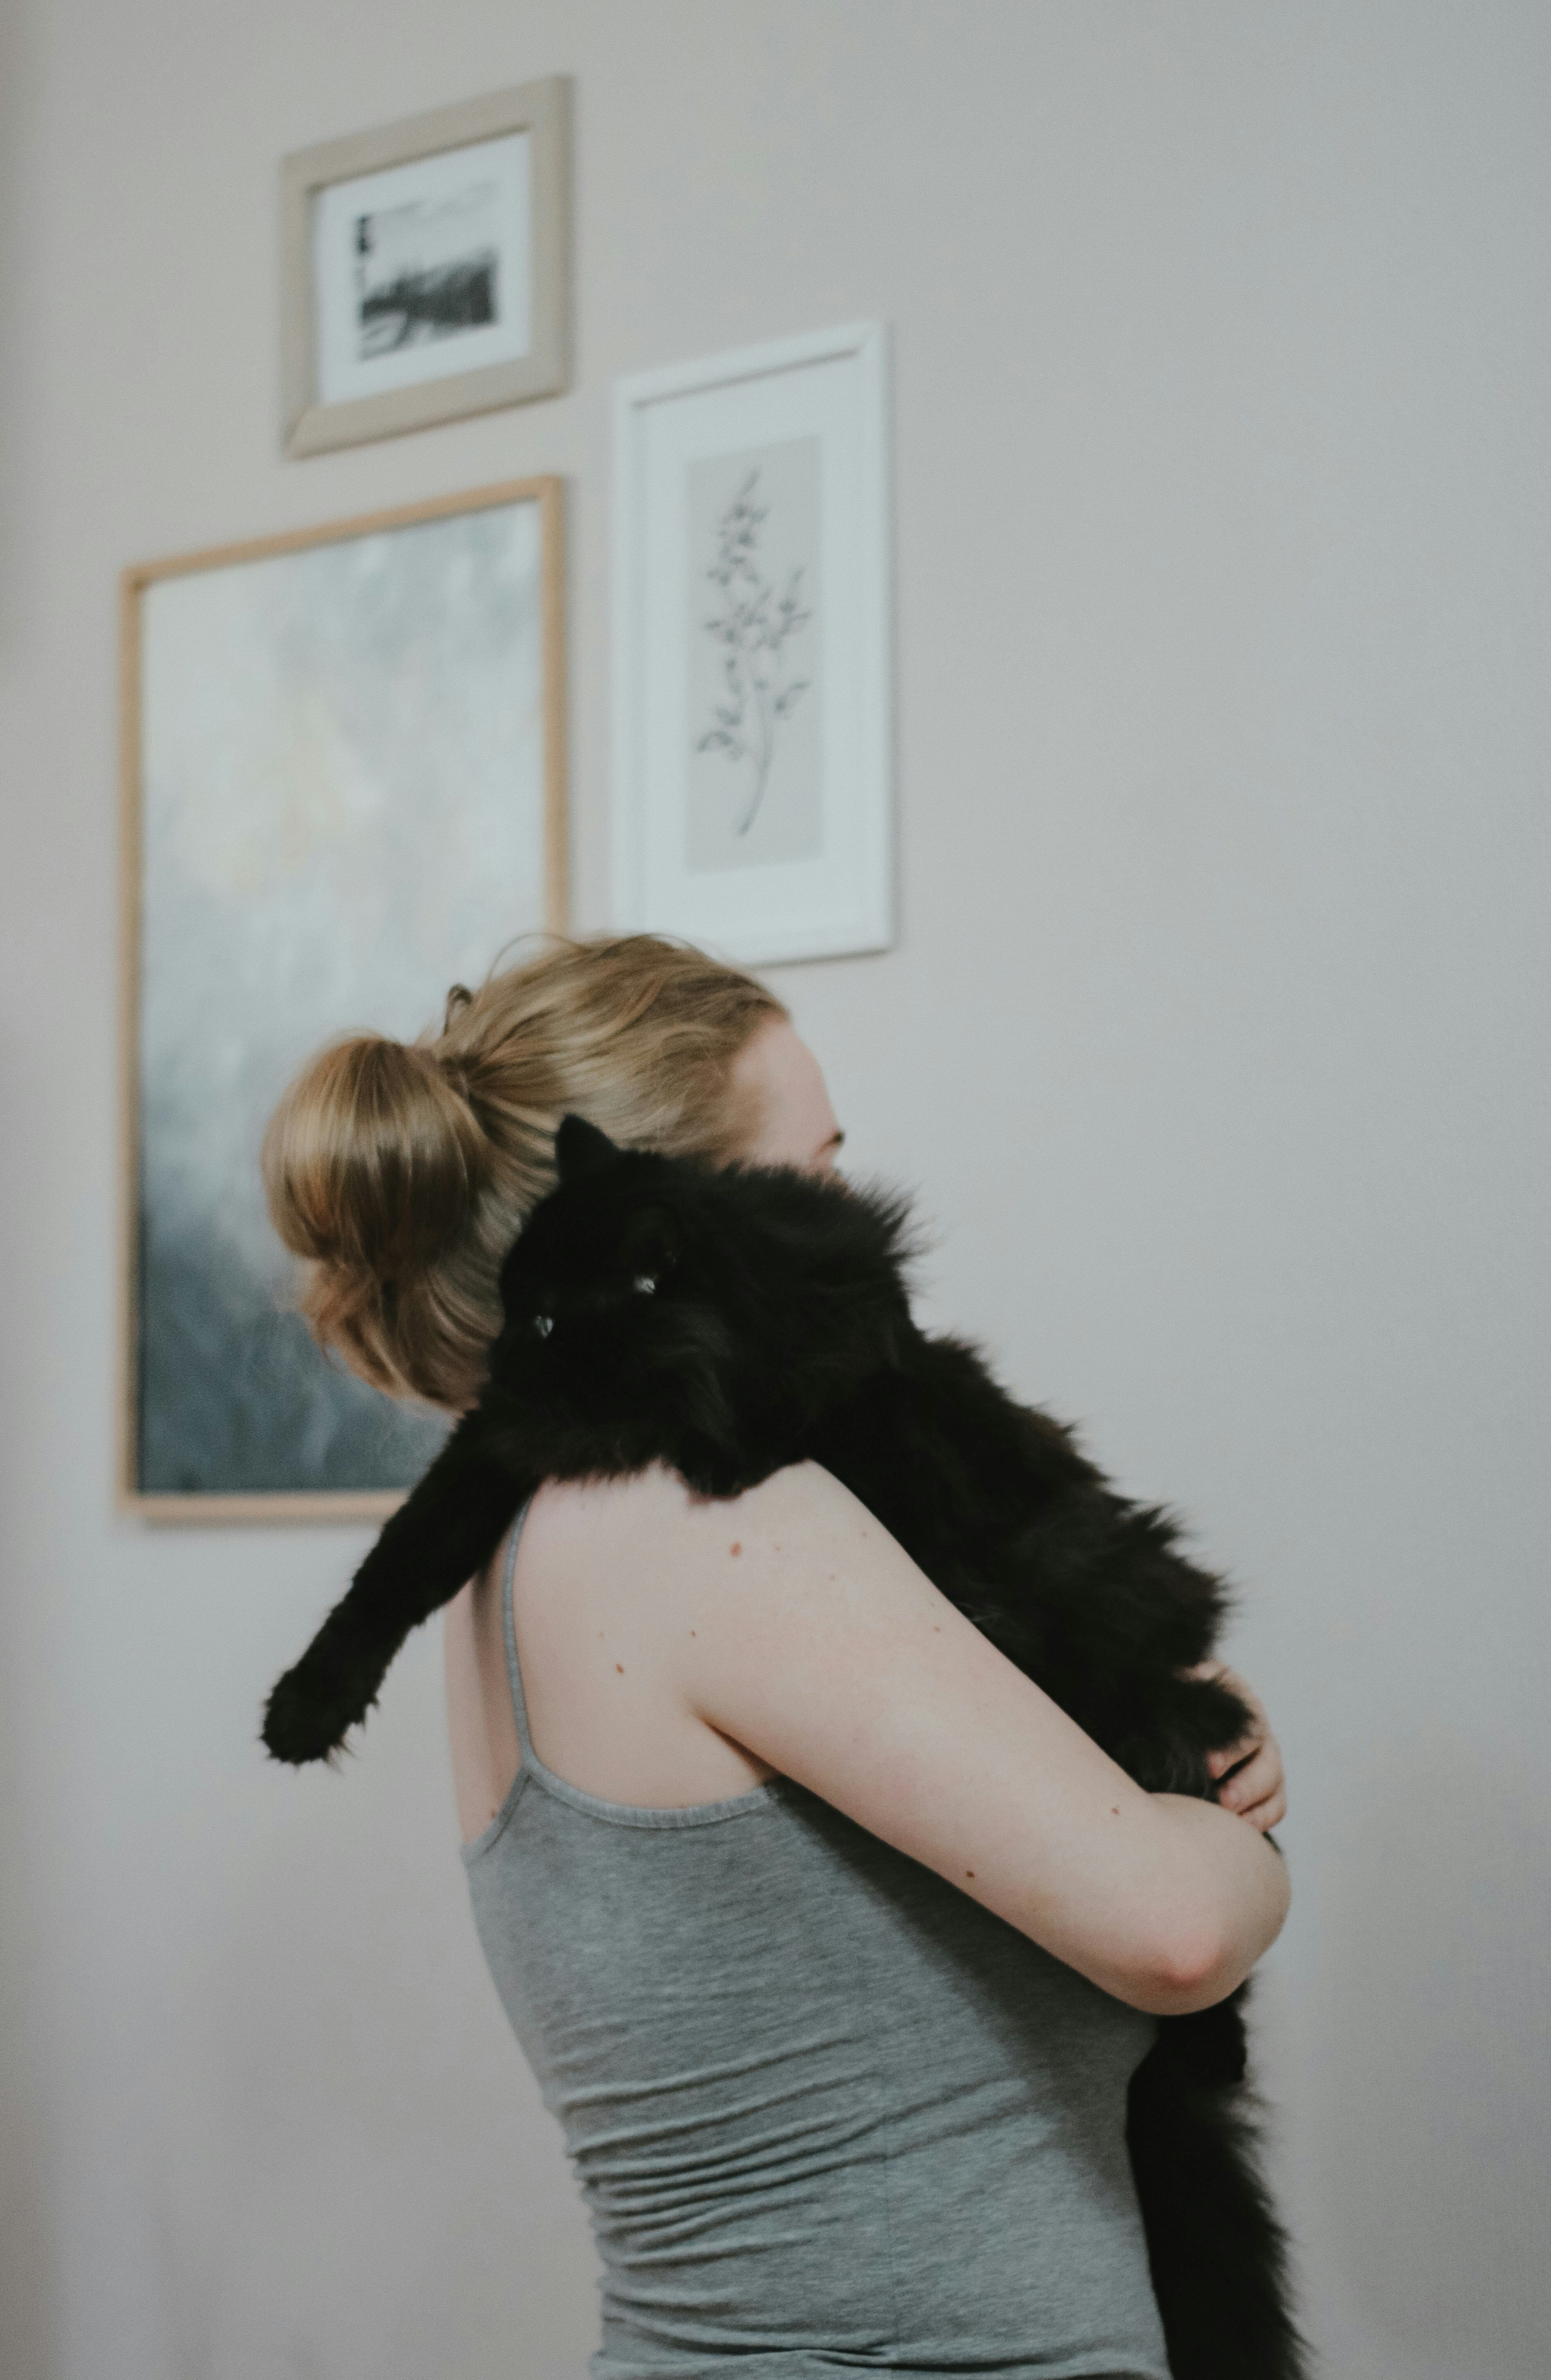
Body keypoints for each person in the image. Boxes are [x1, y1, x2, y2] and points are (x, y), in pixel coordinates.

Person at [263, 932, 1290, 2380]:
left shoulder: (518, 1552)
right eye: (808, 1177)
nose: (852, 1221)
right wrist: (1232, 1825)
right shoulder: (704, 1517)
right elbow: (1173, 1928)